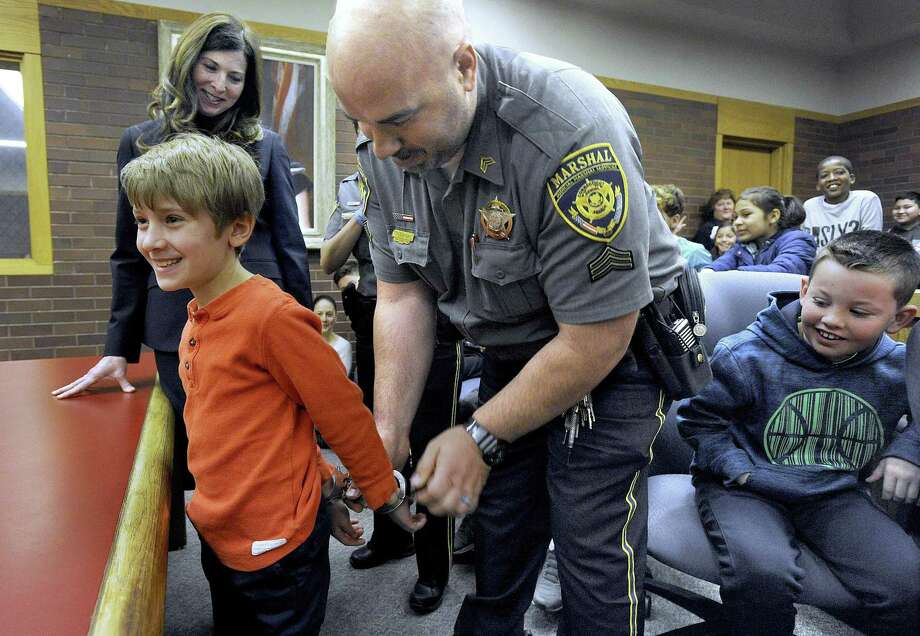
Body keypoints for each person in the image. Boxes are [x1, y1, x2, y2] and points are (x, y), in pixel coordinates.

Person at [326, 1, 685, 633]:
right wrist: (387, 430)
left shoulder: (570, 128)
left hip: (611, 353)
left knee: (590, 548)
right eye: (360, 122)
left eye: (397, 122)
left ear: (463, 68)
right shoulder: (385, 137)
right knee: (503, 528)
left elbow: (597, 333)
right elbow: (404, 293)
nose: (378, 147)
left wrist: (481, 434)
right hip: (512, 345)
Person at [121, 132, 424, 634]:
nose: (151, 240)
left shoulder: (272, 318)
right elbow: (271, 432)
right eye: (143, 221)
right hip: (221, 533)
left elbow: (340, 413)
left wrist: (381, 495)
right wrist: (324, 487)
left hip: (276, 548)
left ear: (237, 228)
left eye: (173, 219)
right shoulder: (198, 312)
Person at [51, 13, 312, 551]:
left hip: (255, 318)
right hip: (173, 321)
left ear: (248, 85)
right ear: (186, 65)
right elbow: (129, 250)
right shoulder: (139, 142)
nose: (219, 84)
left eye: (234, 76)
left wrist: (304, 330)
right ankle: (183, 553)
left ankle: (269, 544)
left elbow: (289, 247)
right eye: (209, 68)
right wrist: (117, 346)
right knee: (195, 443)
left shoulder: (264, 144)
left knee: (253, 443)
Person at [678, 230, 920, 635]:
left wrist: (908, 449)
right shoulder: (745, 354)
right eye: (821, 302)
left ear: (900, 319)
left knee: (907, 584)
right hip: (744, 487)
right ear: (804, 289)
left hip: (834, 493)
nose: (832, 320)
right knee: (763, 577)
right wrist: (738, 469)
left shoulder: (899, 367)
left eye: (859, 313)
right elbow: (700, 420)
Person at [320, 170, 463, 614]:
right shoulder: (352, 187)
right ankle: (392, 538)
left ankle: (434, 568)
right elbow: (329, 259)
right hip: (375, 321)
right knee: (378, 439)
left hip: (434, 328)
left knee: (430, 446)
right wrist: (362, 224)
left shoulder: (438, 175)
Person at [709, 186, 816, 274]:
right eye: (735, 217)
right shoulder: (742, 245)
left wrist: (732, 275)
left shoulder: (798, 240)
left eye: (746, 215)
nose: (737, 222)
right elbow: (721, 264)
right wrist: (708, 271)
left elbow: (784, 270)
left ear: (773, 216)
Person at [802, 155, 883, 247]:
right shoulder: (809, 206)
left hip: (855, 261)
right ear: (818, 185)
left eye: (839, 172)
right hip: (817, 261)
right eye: (824, 175)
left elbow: (870, 245)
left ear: (852, 178)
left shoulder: (866, 199)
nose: (832, 178)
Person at [653, 183, 713, 271]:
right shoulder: (637, 251)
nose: (647, 220)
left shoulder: (694, 253)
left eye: (655, 215)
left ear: (674, 221)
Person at [314, 293, 352, 374]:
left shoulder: (344, 346)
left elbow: (342, 378)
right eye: (319, 314)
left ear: (336, 317)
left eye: (329, 314)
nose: (324, 319)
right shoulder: (305, 343)